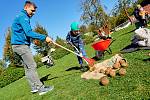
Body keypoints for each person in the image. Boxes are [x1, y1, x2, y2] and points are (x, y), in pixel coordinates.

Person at [11, 1, 54, 95]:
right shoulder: (23, 17)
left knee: (27, 68)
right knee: (32, 66)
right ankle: (41, 89)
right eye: (32, 10)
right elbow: (29, 32)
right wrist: (45, 37)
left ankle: (34, 87)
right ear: (26, 7)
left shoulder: (21, 16)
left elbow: (25, 33)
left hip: (16, 46)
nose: (33, 13)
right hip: (21, 46)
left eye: (34, 11)